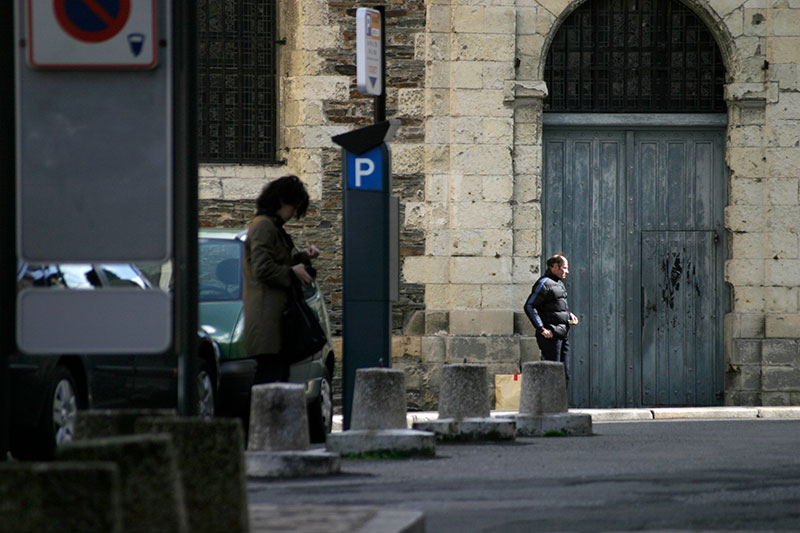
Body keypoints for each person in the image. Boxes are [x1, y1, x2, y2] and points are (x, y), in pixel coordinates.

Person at [242, 175, 321, 385]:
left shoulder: (272, 227)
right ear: (280, 201)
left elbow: (278, 261)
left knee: (278, 380)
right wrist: (292, 272)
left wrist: (303, 257)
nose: (294, 213)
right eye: (293, 207)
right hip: (268, 322)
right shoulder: (263, 227)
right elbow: (262, 268)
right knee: (270, 381)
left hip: (277, 321)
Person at [524, 254, 579, 385]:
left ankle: (560, 405)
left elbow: (554, 306)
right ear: (555, 267)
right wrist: (541, 329)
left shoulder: (558, 283)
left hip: (563, 334)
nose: (567, 271)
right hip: (551, 336)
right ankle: (548, 405)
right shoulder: (544, 283)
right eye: (564, 268)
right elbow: (529, 306)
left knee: (564, 374)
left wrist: (568, 314)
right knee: (552, 375)